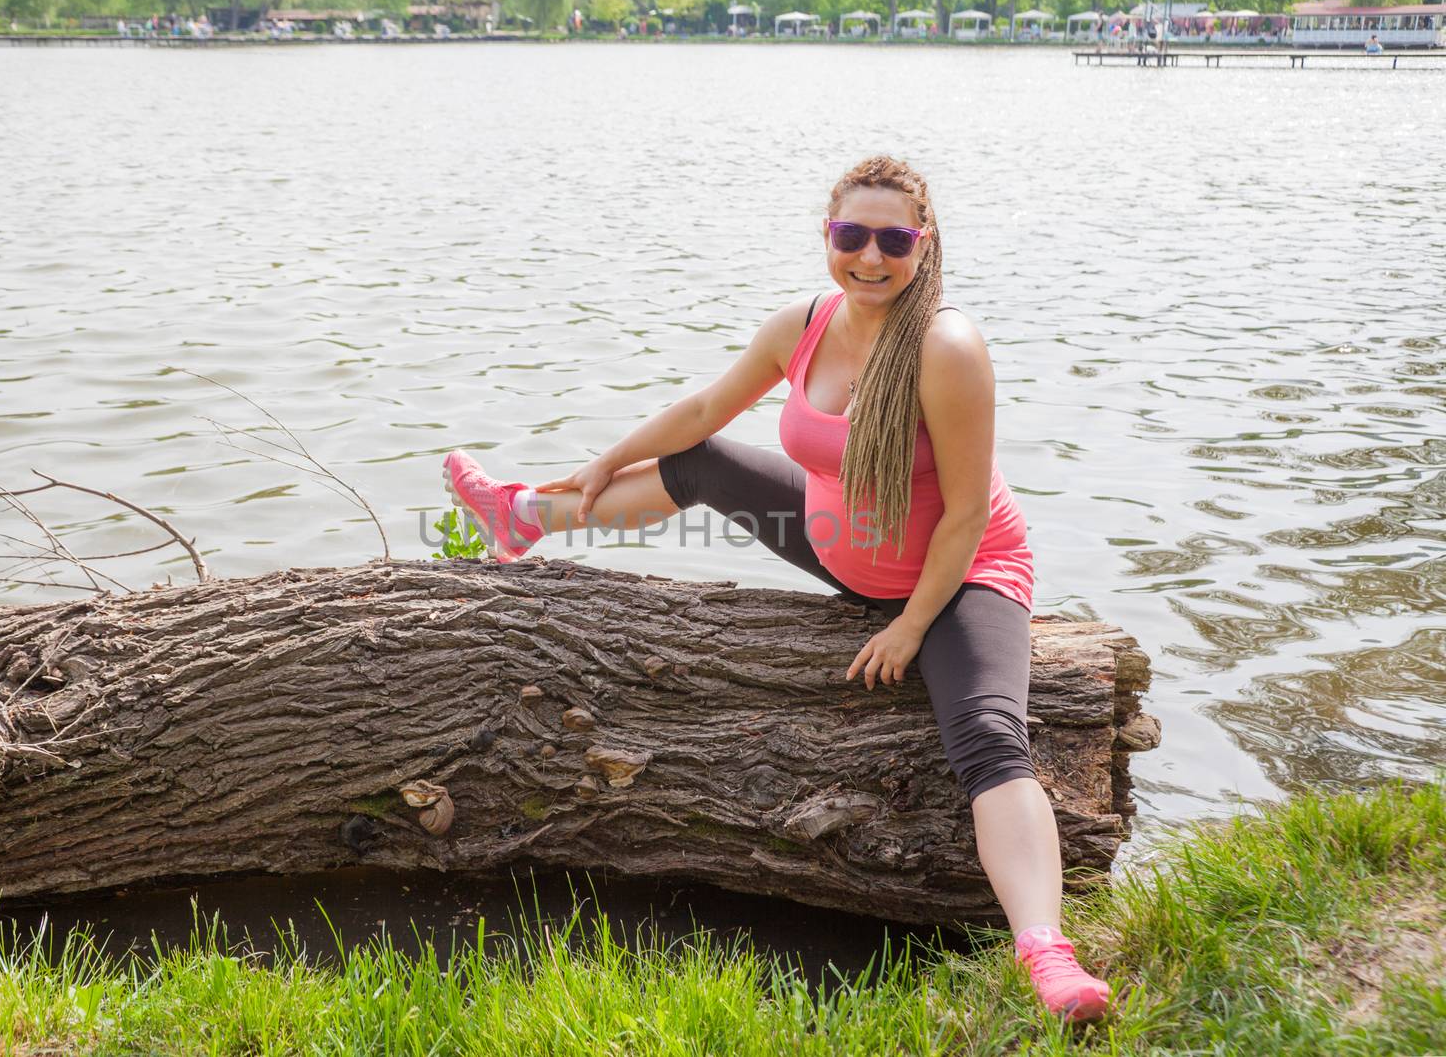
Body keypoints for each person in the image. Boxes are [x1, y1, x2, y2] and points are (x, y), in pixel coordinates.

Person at [442, 155, 1113, 1022]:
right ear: (827, 235)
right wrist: (607, 457)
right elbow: (704, 412)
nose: (870, 257)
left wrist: (910, 628)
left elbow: (965, 518)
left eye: (893, 240)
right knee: (699, 464)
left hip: (959, 574)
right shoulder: (806, 323)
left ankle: (1046, 955)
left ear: (925, 243)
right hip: (845, 550)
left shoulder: (948, 348)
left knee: (987, 735)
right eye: (851, 236)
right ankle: (524, 516)